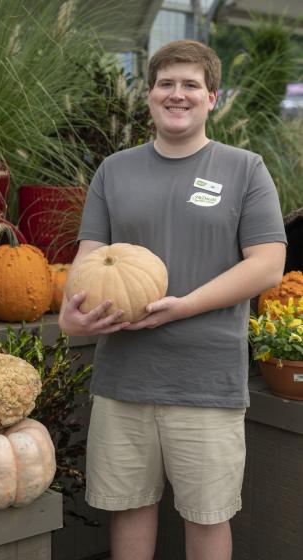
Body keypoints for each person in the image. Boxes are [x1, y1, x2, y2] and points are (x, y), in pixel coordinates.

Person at [59, 39, 286, 560]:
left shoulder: (244, 169)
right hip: (124, 380)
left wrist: (185, 305)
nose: (177, 94)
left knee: (207, 517)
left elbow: (268, 264)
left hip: (206, 382)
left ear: (212, 97)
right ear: (150, 95)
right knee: (129, 507)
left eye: (190, 85)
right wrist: (75, 311)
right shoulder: (114, 171)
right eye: (166, 83)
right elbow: (90, 260)